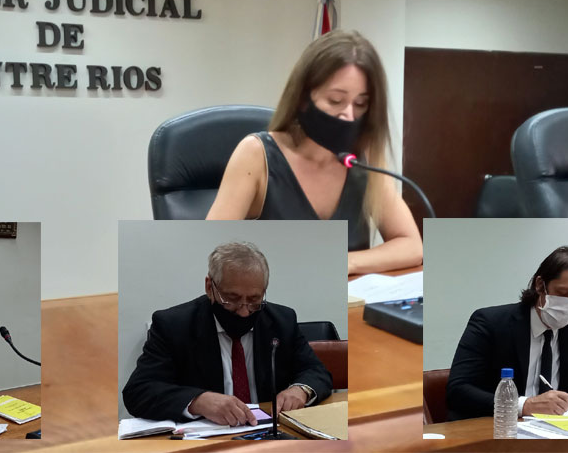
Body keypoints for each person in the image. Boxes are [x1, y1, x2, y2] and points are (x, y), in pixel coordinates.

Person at [206, 30, 422, 275]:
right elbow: (210, 249)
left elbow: (412, 245)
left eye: (360, 104)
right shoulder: (256, 154)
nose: (349, 116)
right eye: (335, 100)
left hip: (347, 298)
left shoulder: (362, 160)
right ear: (303, 99)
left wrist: (345, 262)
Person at [122, 242, 332, 425]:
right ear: (210, 287)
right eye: (231, 299)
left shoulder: (282, 321)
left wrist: (300, 390)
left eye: (254, 300)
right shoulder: (174, 325)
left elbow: (316, 371)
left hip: (270, 433)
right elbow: (138, 391)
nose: (243, 311)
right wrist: (197, 401)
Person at [446, 246, 568, 421]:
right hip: (496, 428)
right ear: (540, 285)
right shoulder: (491, 323)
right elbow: (458, 390)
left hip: (555, 431)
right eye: (563, 293)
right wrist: (524, 405)